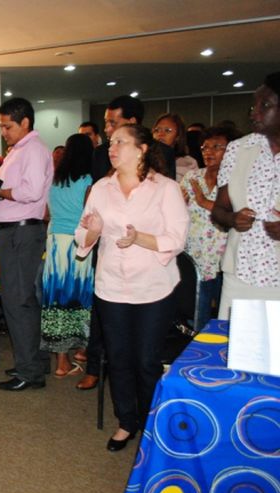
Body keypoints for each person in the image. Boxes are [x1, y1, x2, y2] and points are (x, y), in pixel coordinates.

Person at [75, 124, 188, 452]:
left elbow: (177, 238)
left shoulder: (164, 188)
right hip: (111, 287)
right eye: (111, 143)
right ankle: (127, 422)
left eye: (120, 141)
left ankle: (152, 425)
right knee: (120, 358)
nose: (112, 147)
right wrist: (94, 231)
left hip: (153, 288)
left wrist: (139, 237)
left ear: (141, 149)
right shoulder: (100, 188)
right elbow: (82, 239)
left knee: (146, 360)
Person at [0, 97, 53, 392]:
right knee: (25, 300)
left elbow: (31, 192)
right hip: (16, 232)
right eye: (1, 127)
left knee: (17, 301)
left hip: (21, 233)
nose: (3, 132)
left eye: (7, 126)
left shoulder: (32, 149)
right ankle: (34, 360)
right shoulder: (21, 150)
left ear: (25, 123)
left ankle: (29, 371)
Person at [212, 72, 280, 317]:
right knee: (236, 348)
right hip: (240, 272)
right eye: (255, 105)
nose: (255, 113)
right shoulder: (238, 149)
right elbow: (218, 211)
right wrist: (232, 219)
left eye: (265, 106)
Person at [41, 134, 94, 377]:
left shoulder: (54, 180)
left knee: (57, 299)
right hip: (77, 243)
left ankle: (62, 360)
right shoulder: (86, 180)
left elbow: (45, 214)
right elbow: (88, 214)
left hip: (54, 244)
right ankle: (80, 351)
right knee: (80, 297)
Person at [180, 126, 238, 329]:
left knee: (225, 317)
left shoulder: (237, 179)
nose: (208, 152)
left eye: (216, 147)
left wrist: (204, 202)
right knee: (196, 317)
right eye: (205, 147)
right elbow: (177, 213)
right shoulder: (192, 177)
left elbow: (236, 214)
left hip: (224, 262)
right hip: (194, 259)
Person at [152, 113, 199, 179]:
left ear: (178, 136)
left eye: (167, 130)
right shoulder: (144, 159)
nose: (160, 134)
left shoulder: (188, 163)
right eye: (157, 130)